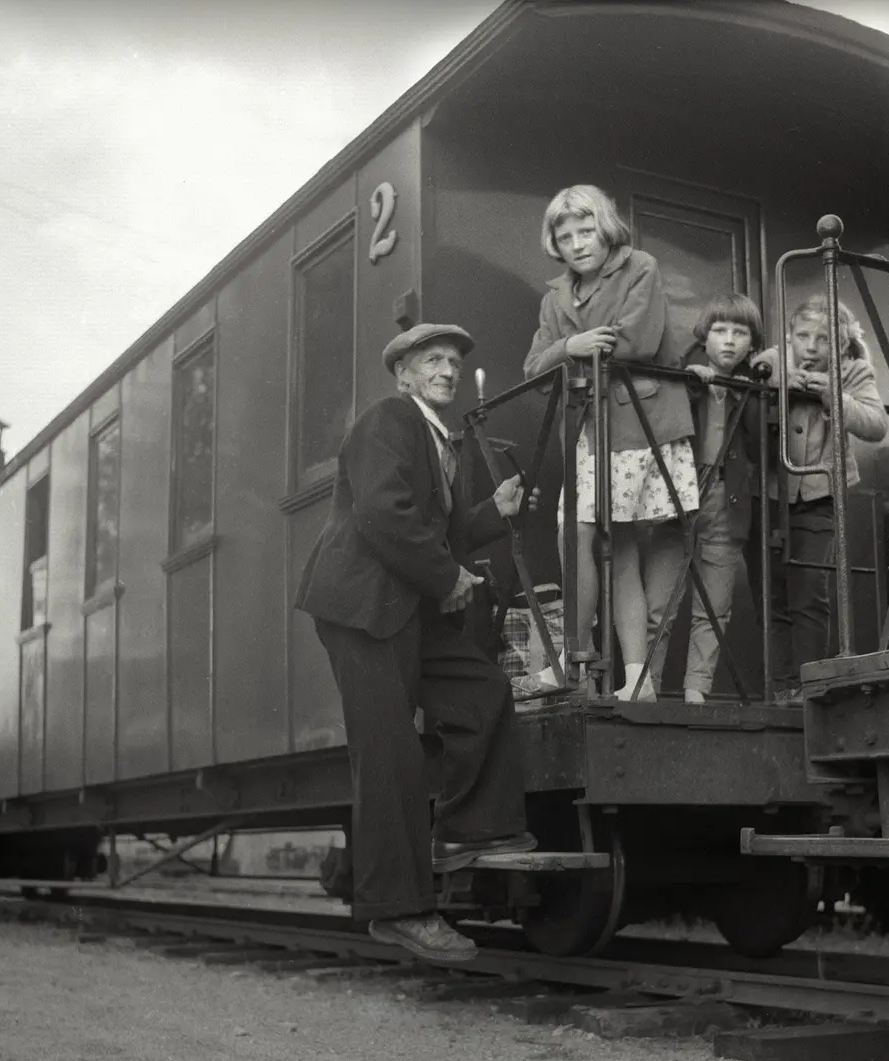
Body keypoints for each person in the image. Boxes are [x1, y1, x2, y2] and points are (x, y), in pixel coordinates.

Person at [294, 322, 540, 965]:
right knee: (389, 755)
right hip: (364, 608)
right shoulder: (389, 420)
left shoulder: (437, 439)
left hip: (405, 605)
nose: (448, 370)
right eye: (433, 360)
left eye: (455, 362)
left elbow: (442, 529)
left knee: (482, 689)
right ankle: (398, 912)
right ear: (403, 373)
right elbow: (384, 515)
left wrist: (494, 512)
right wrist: (447, 575)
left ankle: (470, 832)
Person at [523, 184, 699, 702]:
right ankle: (586, 666)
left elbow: (638, 340)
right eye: (566, 235)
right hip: (589, 433)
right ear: (554, 242)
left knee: (601, 541)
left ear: (606, 229)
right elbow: (533, 366)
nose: (578, 244)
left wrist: (574, 350)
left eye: (586, 231)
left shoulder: (639, 266)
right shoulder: (555, 296)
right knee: (593, 542)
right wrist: (570, 345)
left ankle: (596, 668)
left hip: (638, 425)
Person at [748, 296, 889, 704]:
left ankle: (808, 688)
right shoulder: (776, 359)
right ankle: (778, 689)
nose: (811, 346)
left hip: (819, 494)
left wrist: (832, 395)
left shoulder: (854, 372)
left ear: (841, 346)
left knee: (809, 593)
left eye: (824, 339)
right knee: (770, 594)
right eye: (804, 336)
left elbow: (877, 425)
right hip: (770, 493)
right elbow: (761, 370)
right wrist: (783, 382)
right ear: (790, 336)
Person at [649, 293, 764, 704]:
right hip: (680, 493)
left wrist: (751, 390)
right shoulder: (685, 373)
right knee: (660, 602)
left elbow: (760, 444)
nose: (729, 341)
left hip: (728, 499)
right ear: (704, 335)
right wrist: (693, 384)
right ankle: (647, 681)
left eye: (740, 332)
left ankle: (696, 688)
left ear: (753, 342)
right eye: (720, 331)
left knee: (715, 606)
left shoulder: (754, 384)